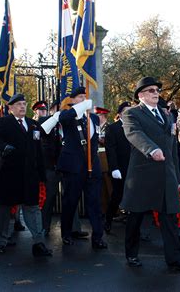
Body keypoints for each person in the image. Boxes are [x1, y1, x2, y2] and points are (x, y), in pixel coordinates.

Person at [121, 76, 180, 271]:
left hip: (166, 175)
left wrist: (176, 176)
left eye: (157, 90)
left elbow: (172, 146)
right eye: (151, 91)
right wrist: (151, 149)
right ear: (140, 95)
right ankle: (131, 254)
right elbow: (134, 134)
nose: (156, 93)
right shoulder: (131, 114)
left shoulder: (167, 116)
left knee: (170, 217)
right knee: (136, 217)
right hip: (142, 176)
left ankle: (175, 259)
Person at [0, 94, 52, 257]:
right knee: (3, 210)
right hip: (8, 175)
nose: (22, 107)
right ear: (10, 108)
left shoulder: (33, 124)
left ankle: (38, 243)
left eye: (24, 104)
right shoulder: (2, 123)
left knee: (32, 208)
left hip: (30, 175)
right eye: (18, 104)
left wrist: (41, 174)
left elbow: (38, 151)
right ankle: (0, 242)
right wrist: (4, 147)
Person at [57, 86, 107, 249]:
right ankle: (66, 233)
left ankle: (98, 237)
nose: (83, 99)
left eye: (84, 97)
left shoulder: (93, 118)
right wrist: (78, 108)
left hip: (92, 166)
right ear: (72, 100)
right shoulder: (67, 116)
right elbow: (63, 119)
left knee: (95, 202)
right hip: (74, 167)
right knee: (70, 202)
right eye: (79, 97)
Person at [36, 101, 86, 238]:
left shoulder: (72, 124)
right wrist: (55, 117)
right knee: (49, 198)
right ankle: (44, 227)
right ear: (52, 110)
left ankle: (74, 228)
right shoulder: (46, 121)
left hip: (68, 166)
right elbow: (42, 132)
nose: (65, 111)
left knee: (71, 197)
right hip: (51, 166)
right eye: (61, 109)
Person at [103, 101, 131, 233]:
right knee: (117, 196)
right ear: (119, 114)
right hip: (120, 168)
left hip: (134, 168)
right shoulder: (113, 128)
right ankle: (108, 221)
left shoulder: (136, 126)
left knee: (135, 198)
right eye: (126, 111)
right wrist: (114, 168)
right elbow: (111, 150)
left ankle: (134, 227)